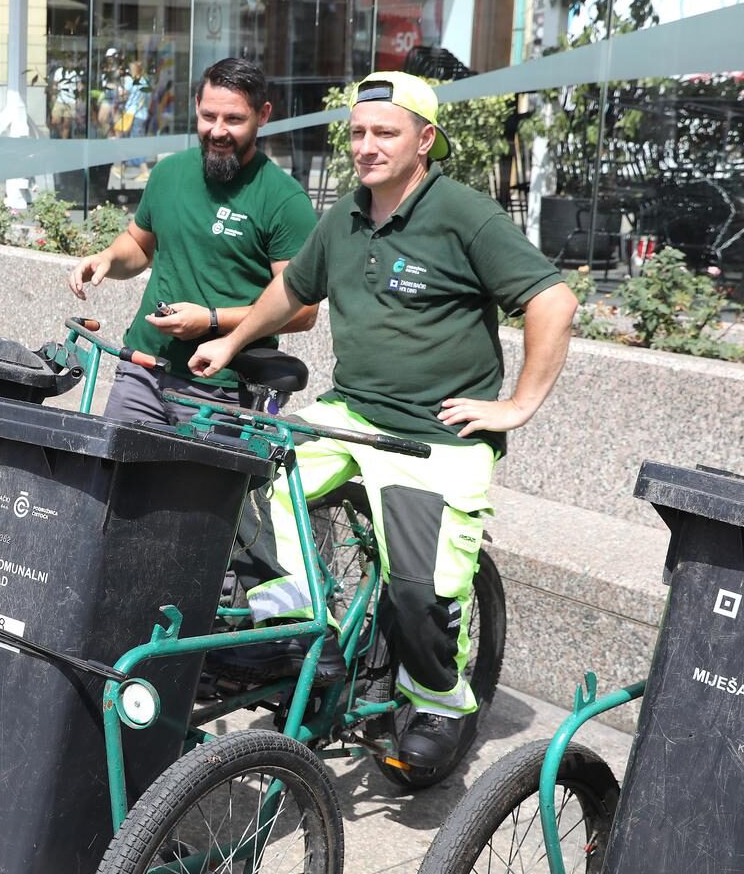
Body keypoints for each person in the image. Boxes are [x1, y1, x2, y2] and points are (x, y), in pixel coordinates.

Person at [188, 72, 580, 767]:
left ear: (425, 140)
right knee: (246, 476)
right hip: (352, 412)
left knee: (420, 590)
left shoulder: (465, 215)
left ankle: (439, 698)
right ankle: (297, 631)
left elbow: (553, 299)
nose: (366, 146)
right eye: (359, 132)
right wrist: (233, 337)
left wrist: (518, 405)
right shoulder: (345, 215)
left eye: (384, 132)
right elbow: (291, 288)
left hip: (435, 436)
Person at [70, 58, 317, 425]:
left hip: (220, 387)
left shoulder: (284, 200)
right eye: (208, 116)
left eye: (234, 120)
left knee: (192, 486)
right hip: (141, 368)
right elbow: (139, 246)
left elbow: (302, 311)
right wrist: (107, 257)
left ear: (263, 115)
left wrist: (212, 321)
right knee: (111, 479)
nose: (217, 131)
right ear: (196, 107)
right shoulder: (169, 172)